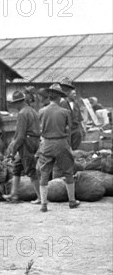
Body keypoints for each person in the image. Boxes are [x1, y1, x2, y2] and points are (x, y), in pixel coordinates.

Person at [37, 84, 80, 213]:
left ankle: (44, 204)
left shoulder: (41, 111)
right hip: (62, 143)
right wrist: (69, 146)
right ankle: (72, 201)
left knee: (44, 173)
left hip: (47, 144)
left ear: (49, 97)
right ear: (60, 97)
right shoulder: (65, 112)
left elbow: (39, 129)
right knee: (68, 172)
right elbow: (69, 130)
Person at [4, 90, 41, 204]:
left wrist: (12, 151)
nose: (14, 106)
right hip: (35, 141)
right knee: (17, 167)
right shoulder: (33, 111)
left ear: (18, 102)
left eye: (14, 103)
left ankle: (41, 197)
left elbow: (20, 136)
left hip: (27, 143)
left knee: (31, 170)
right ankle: (13, 195)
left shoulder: (22, 114)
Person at [59, 78, 85, 150]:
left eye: (75, 94)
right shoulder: (62, 102)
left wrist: (82, 129)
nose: (75, 95)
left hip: (76, 130)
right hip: (67, 130)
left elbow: (79, 118)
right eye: (73, 93)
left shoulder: (76, 104)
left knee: (75, 149)